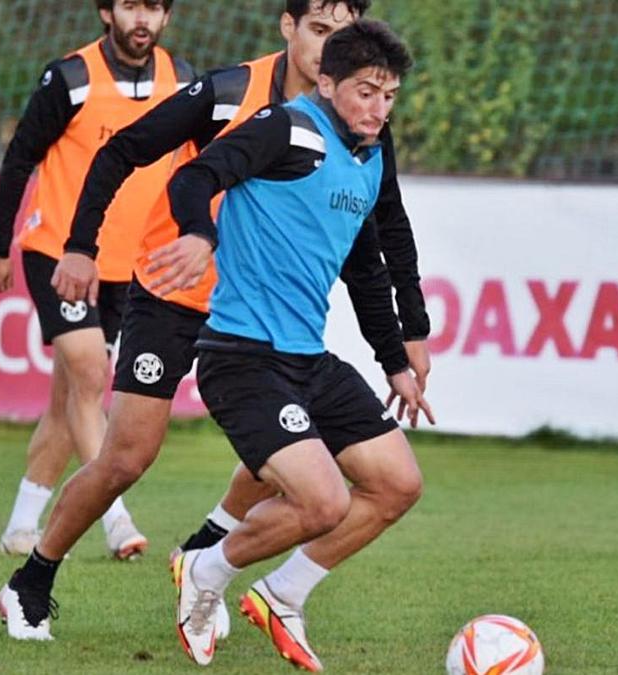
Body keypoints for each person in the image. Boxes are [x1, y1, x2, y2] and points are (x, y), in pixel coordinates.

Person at [0, 0, 430, 644]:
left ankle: (205, 552)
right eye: (319, 30)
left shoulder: (362, 125)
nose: (330, 45)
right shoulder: (230, 91)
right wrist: (83, 245)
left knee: (285, 446)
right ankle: (32, 579)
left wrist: (407, 336)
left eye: (343, 34)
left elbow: (380, 232)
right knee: (126, 456)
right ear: (289, 28)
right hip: (176, 290)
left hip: (262, 318)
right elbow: (123, 153)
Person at [163, 21, 430, 670]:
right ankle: (207, 568)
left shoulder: (369, 155)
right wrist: (199, 233)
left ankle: (284, 592)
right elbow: (195, 178)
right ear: (327, 81)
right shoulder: (287, 127)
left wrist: (395, 360)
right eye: (365, 92)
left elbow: (365, 267)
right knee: (324, 500)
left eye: (389, 96)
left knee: (397, 483)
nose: (378, 109)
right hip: (240, 355)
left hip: (306, 359)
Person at [0, 0, 194, 561]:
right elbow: (20, 156)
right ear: (106, 12)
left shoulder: (183, 81)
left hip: (132, 265)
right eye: (130, 6)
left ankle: (22, 524)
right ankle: (116, 520)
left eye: (154, 7)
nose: (142, 18)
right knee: (89, 373)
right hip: (60, 254)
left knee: (69, 400)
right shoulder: (70, 78)